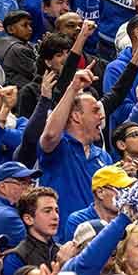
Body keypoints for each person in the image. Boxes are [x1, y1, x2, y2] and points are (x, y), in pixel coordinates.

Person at [38, 68, 112, 242]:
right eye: (95, 111)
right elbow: (49, 135)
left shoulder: (104, 157)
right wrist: (73, 88)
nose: (101, 117)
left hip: (97, 241)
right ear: (77, 117)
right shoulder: (59, 147)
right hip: (61, 243)